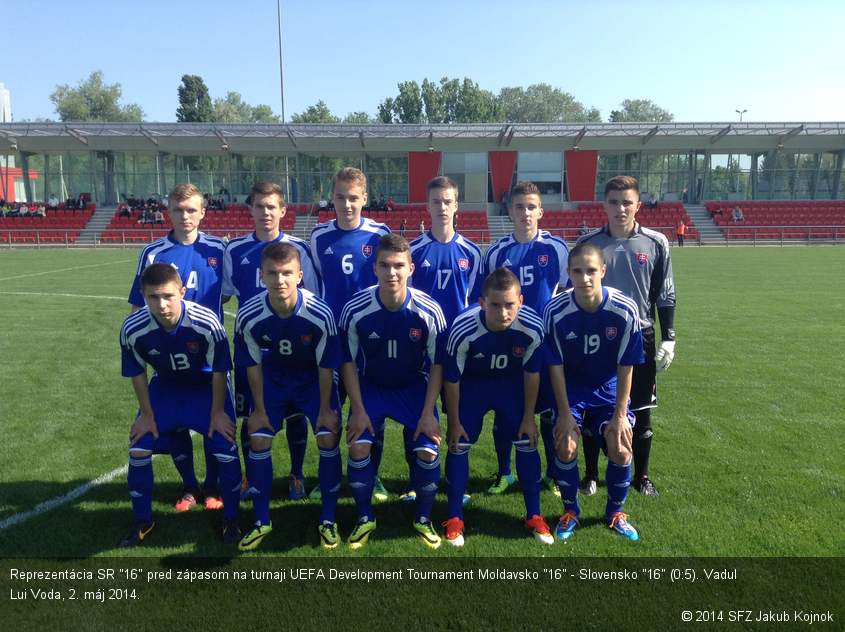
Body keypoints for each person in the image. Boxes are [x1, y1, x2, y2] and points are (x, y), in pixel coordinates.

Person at [118, 263, 241, 548]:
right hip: (167, 389)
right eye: (153, 297)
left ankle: (232, 517)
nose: (161, 304)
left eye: (168, 296)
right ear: (143, 295)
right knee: (138, 447)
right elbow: (137, 371)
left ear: (182, 292)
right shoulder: (132, 328)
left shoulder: (206, 322)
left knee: (225, 444)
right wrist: (147, 415)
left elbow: (221, 370)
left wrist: (218, 413)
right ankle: (142, 521)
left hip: (206, 388)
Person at [338, 233, 447, 548]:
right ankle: (364, 518)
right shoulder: (355, 309)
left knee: (428, 449)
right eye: (384, 265)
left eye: (399, 265)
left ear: (411, 268)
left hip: (414, 387)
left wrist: (428, 413)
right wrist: (357, 410)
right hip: (372, 386)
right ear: (374, 268)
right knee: (358, 446)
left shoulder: (429, 311)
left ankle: (423, 519)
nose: (392, 273)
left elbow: (437, 365)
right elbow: (347, 363)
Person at [234, 243, 343, 550]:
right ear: (261, 276)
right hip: (274, 378)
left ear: (300, 275)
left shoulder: (320, 313)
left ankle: (328, 520)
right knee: (257, 436)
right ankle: (260, 521)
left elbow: (326, 367)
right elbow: (253, 366)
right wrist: (258, 409)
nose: (279, 280)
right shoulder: (249, 315)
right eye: (272, 273)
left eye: (286, 273)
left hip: (312, 378)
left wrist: (324, 409)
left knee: (327, 434)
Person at [127, 183, 228, 510]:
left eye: (191, 210)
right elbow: (137, 309)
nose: (185, 216)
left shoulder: (219, 250)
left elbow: (226, 295)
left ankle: (212, 486)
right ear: (167, 211)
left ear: (202, 212)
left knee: (217, 427)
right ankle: (189, 486)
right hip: (169, 358)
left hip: (210, 360)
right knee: (177, 425)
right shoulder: (153, 253)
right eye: (178, 210)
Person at [576, 175, 676, 498]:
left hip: (641, 336)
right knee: (593, 408)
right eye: (614, 202)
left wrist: (668, 336)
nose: (620, 208)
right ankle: (590, 475)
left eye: (627, 202)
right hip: (598, 338)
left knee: (641, 410)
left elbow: (665, 293)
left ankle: (641, 476)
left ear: (638, 205)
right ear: (604, 205)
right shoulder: (589, 244)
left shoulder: (657, 242)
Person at [222, 182, 322, 500]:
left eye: (271, 206)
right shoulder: (234, 250)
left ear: (283, 211)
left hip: (292, 349)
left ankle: (296, 474)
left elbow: (313, 298)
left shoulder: (300, 250)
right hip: (251, 348)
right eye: (259, 206)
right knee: (250, 415)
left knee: (294, 416)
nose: (265, 212)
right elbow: (222, 295)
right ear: (250, 209)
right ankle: (250, 477)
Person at [442, 267, 552, 546]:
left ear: (521, 301)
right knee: (459, 443)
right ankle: (455, 516)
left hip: (510, 385)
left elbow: (532, 374)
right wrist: (453, 422)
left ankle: (534, 514)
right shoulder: (463, 328)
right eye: (495, 305)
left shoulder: (532, 327)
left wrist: (529, 417)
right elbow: (452, 379)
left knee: (527, 441)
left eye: (510, 305)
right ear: (481, 303)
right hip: (473, 386)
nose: (503, 312)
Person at [544, 243, 644, 541]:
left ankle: (615, 512)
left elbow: (626, 365)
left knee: (621, 445)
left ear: (603, 271)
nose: (584, 278)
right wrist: (563, 413)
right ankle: (571, 511)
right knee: (566, 446)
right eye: (577, 271)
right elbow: (555, 366)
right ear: (568, 273)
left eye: (591, 271)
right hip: (571, 387)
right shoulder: (555, 310)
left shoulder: (625, 309)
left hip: (608, 386)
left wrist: (620, 415)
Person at [479, 180, 569, 498]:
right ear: (510, 210)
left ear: (541, 212)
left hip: (544, 344)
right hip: (507, 345)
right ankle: (505, 473)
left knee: (548, 412)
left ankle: (553, 474)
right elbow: (484, 300)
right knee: (505, 412)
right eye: (519, 206)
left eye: (532, 207)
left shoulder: (557, 248)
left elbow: (567, 295)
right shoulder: (495, 252)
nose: (526, 212)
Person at [310, 167, 391, 500]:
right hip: (333, 336)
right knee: (329, 408)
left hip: (370, 335)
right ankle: (327, 478)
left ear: (365, 199)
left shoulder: (379, 234)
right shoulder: (318, 236)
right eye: (340, 197)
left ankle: (374, 475)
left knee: (373, 409)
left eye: (353, 198)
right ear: (332, 198)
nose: (347, 204)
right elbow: (314, 288)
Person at [407, 176, 482, 501]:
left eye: (447, 201)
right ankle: (415, 482)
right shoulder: (414, 250)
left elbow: (475, 304)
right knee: (417, 414)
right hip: (420, 347)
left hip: (457, 348)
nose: (441, 207)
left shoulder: (472, 252)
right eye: (435, 201)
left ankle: (454, 484)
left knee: (456, 417)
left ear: (456, 206)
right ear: (428, 206)